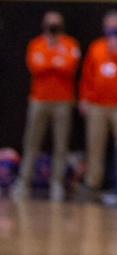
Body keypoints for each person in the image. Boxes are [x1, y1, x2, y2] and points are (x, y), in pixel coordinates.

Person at [14, 11, 80, 200]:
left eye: (56, 24)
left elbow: (69, 67)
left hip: (63, 101)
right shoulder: (36, 44)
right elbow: (36, 67)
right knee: (31, 141)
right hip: (39, 99)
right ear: (44, 25)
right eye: (50, 24)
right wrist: (54, 60)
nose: (53, 28)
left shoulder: (70, 44)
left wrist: (50, 60)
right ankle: (24, 181)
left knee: (61, 144)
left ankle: (57, 184)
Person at [79, 10, 117, 195]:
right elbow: (87, 75)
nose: (113, 27)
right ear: (105, 27)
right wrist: (84, 97)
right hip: (97, 105)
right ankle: (93, 182)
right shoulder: (96, 47)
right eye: (110, 24)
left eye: (116, 24)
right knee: (95, 145)